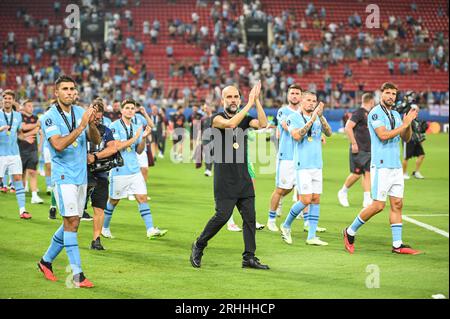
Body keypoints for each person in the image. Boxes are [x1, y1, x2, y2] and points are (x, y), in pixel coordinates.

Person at [190, 81, 270, 270]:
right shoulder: (217, 118)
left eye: (236, 97)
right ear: (222, 100)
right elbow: (231, 123)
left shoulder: (245, 117)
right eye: (229, 97)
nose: (233, 100)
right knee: (222, 216)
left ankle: (249, 257)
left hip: (243, 177)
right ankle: (199, 245)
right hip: (225, 178)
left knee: (250, 218)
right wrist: (249, 103)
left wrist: (256, 101)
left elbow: (263, 124)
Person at [343, 82, 421, 255]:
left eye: (394, 94)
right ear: (381, 94)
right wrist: (404, 123)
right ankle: (349, 232)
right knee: (378, 205)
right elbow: (383, 135)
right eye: (388, 93)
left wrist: (408, 124)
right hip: (381, 165)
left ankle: (397, 244)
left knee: (398, 204)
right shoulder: (375, 113)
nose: (391, 96)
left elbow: (406, 138)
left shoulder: (395, 114)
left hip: (395, 166)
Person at [37, 75, 101, 288]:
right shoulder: (48, 117)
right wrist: (82, 125)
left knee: (71, 222)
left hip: (80, 176)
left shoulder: (81, 112)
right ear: (56, 93)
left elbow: (96, 140)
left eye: (72, 88)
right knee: (72, 221)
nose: (70, 92)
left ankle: (45, 261)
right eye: (65, 89)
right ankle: (78, 275)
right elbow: (58, 145)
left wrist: (91, 124)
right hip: (63, 176)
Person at [101, 99, 167, 239]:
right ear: (122, 110)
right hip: (119, 170)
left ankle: (150, 229)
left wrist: (142, 138)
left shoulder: (137, 126)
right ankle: (104, 227)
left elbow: (138, 150)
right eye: (127, 108)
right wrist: (136, 137)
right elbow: (117, 146)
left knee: (142, 198)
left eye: (132, 108)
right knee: (113, 201)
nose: (130, 110)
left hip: (134, 170)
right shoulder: (113, 126)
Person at [280, 92, 332, 246]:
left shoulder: (317, 117)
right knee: (306, 199)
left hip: (317, 164)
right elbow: (296, 136)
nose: (311, 103)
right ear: (302, 101)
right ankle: (286, 225)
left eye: (314, 101)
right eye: (308, 100)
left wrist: (320, 117)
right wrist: (312, 120)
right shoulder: (293, 118)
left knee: (316, 199)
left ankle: (311, 236)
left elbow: (328, 133)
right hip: (302, 165)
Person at [266, 84, 302, 232]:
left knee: (294, 186)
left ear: (301, 96)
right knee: (280, 189)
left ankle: (307, 222)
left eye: (297, 93)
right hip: (286, 155)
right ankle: (271, 219)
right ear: (288, 96)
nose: (294, 96)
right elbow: (287, 127)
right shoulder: (283, 111)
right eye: (292, 93)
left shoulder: (303, 113)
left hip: (300, 155)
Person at [85, 101, 120, 250]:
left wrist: (95, 156)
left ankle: (96, 240)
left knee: (99, 208)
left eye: (99, 118)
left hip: (101, 174)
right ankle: (67, 238)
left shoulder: (106, 130)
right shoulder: (80, 128)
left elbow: (112, 148)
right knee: (75, 210)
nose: (97, 120)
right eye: (94, 117)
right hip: (81, 173)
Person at [0, 89, 38, 219]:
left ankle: (22, 210)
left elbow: (19, 133)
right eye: (5, 98)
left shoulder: (17, 116)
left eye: (10, 99)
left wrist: (25, 138)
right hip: (1, 154)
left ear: (13, 101)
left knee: (17, 179)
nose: (7, 100)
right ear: (2, 100)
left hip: (14, 154)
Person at [338, 93, 375, 208]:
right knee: (357, 174)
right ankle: (343, 191)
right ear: (372, 101)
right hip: (359, 148)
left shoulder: (370, 114)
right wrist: (354, 143)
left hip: (369, 149)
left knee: (367, 173)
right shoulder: (359, 112)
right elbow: (348, 127)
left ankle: (367, 199)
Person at [19, 99, 44, 204]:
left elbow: (40, 131)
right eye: (29, 106)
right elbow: (23, 127)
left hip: (33, 148)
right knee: (22, 172)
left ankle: (34, 195)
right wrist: (34, 128)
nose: (31, 108)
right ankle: (21, 193)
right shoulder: (19, 116)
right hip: (21, 148)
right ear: (24, 107)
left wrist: (39, 146)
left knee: (33, 171)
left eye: (32, 106)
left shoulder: (35, 117)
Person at [402, 105, 427, 179]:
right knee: (406, 157)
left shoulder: (417, 120)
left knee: (421, 155)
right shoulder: (407, 119)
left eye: (417, 111)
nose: (417, 113)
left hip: (416, 141)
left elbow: (420, 131)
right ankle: (403, 173)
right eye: (416, 111)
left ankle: (416, 172)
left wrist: (422, 137)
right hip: (408, 140)